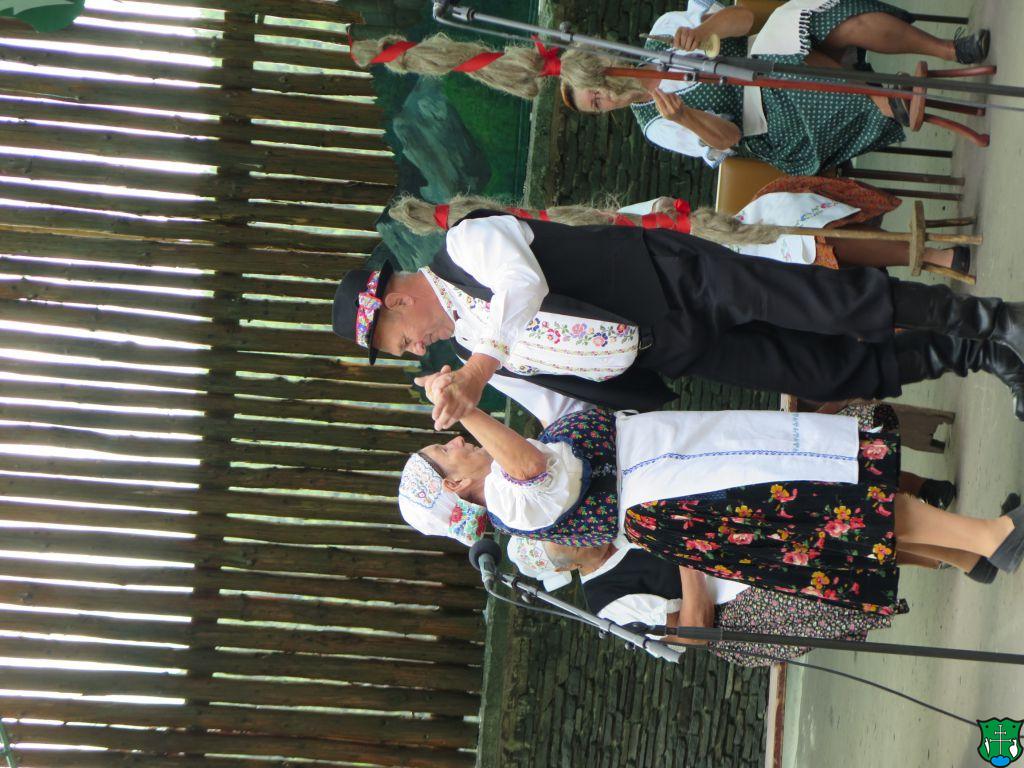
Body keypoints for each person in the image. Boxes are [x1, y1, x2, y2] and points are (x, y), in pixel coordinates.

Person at [332, 209, 1024, 426]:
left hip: (674, 281)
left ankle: (990, 320)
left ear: (395, 301)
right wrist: (475, 405)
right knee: (824, 373)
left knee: (830, 303)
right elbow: (556, 403)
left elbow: (523, 282)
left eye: (401, 341)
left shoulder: (463, 246)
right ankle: (977, 356)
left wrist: (481, 367)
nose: (416, 350)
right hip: (667, 349)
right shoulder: (468, 355)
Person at [397, 403, 1024, 618]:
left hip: (682, 463)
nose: (455, 441)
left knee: (836, 484)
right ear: (457, 487)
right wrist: (469, 410)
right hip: (681, 492)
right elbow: (536, 468)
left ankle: (972, 547)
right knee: (838, 502)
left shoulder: (508, 479)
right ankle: (994, 536)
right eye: (445, 451)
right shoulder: (509, 497)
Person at [561, 2, 990, 173]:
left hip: (770, 47)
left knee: (834, 24)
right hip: (773, 122)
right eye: (596, 105)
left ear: (605, 66)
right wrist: (686, 117)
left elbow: (745, 20)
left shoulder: (662, 34)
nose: (605, 101)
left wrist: (704, 29)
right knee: (792, 75)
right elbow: (730, 138)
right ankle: (887, 99)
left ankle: (951, 50)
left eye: (596, 91)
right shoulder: (657, 126)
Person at [541, 538, 895, 667]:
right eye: (570, 541)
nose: (580, 534)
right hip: (737, 604)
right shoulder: (609, 603)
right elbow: (693, 633)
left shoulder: (612, 521)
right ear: (568, 567)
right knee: (850, 574)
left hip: (738, 543)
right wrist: (686, 556)